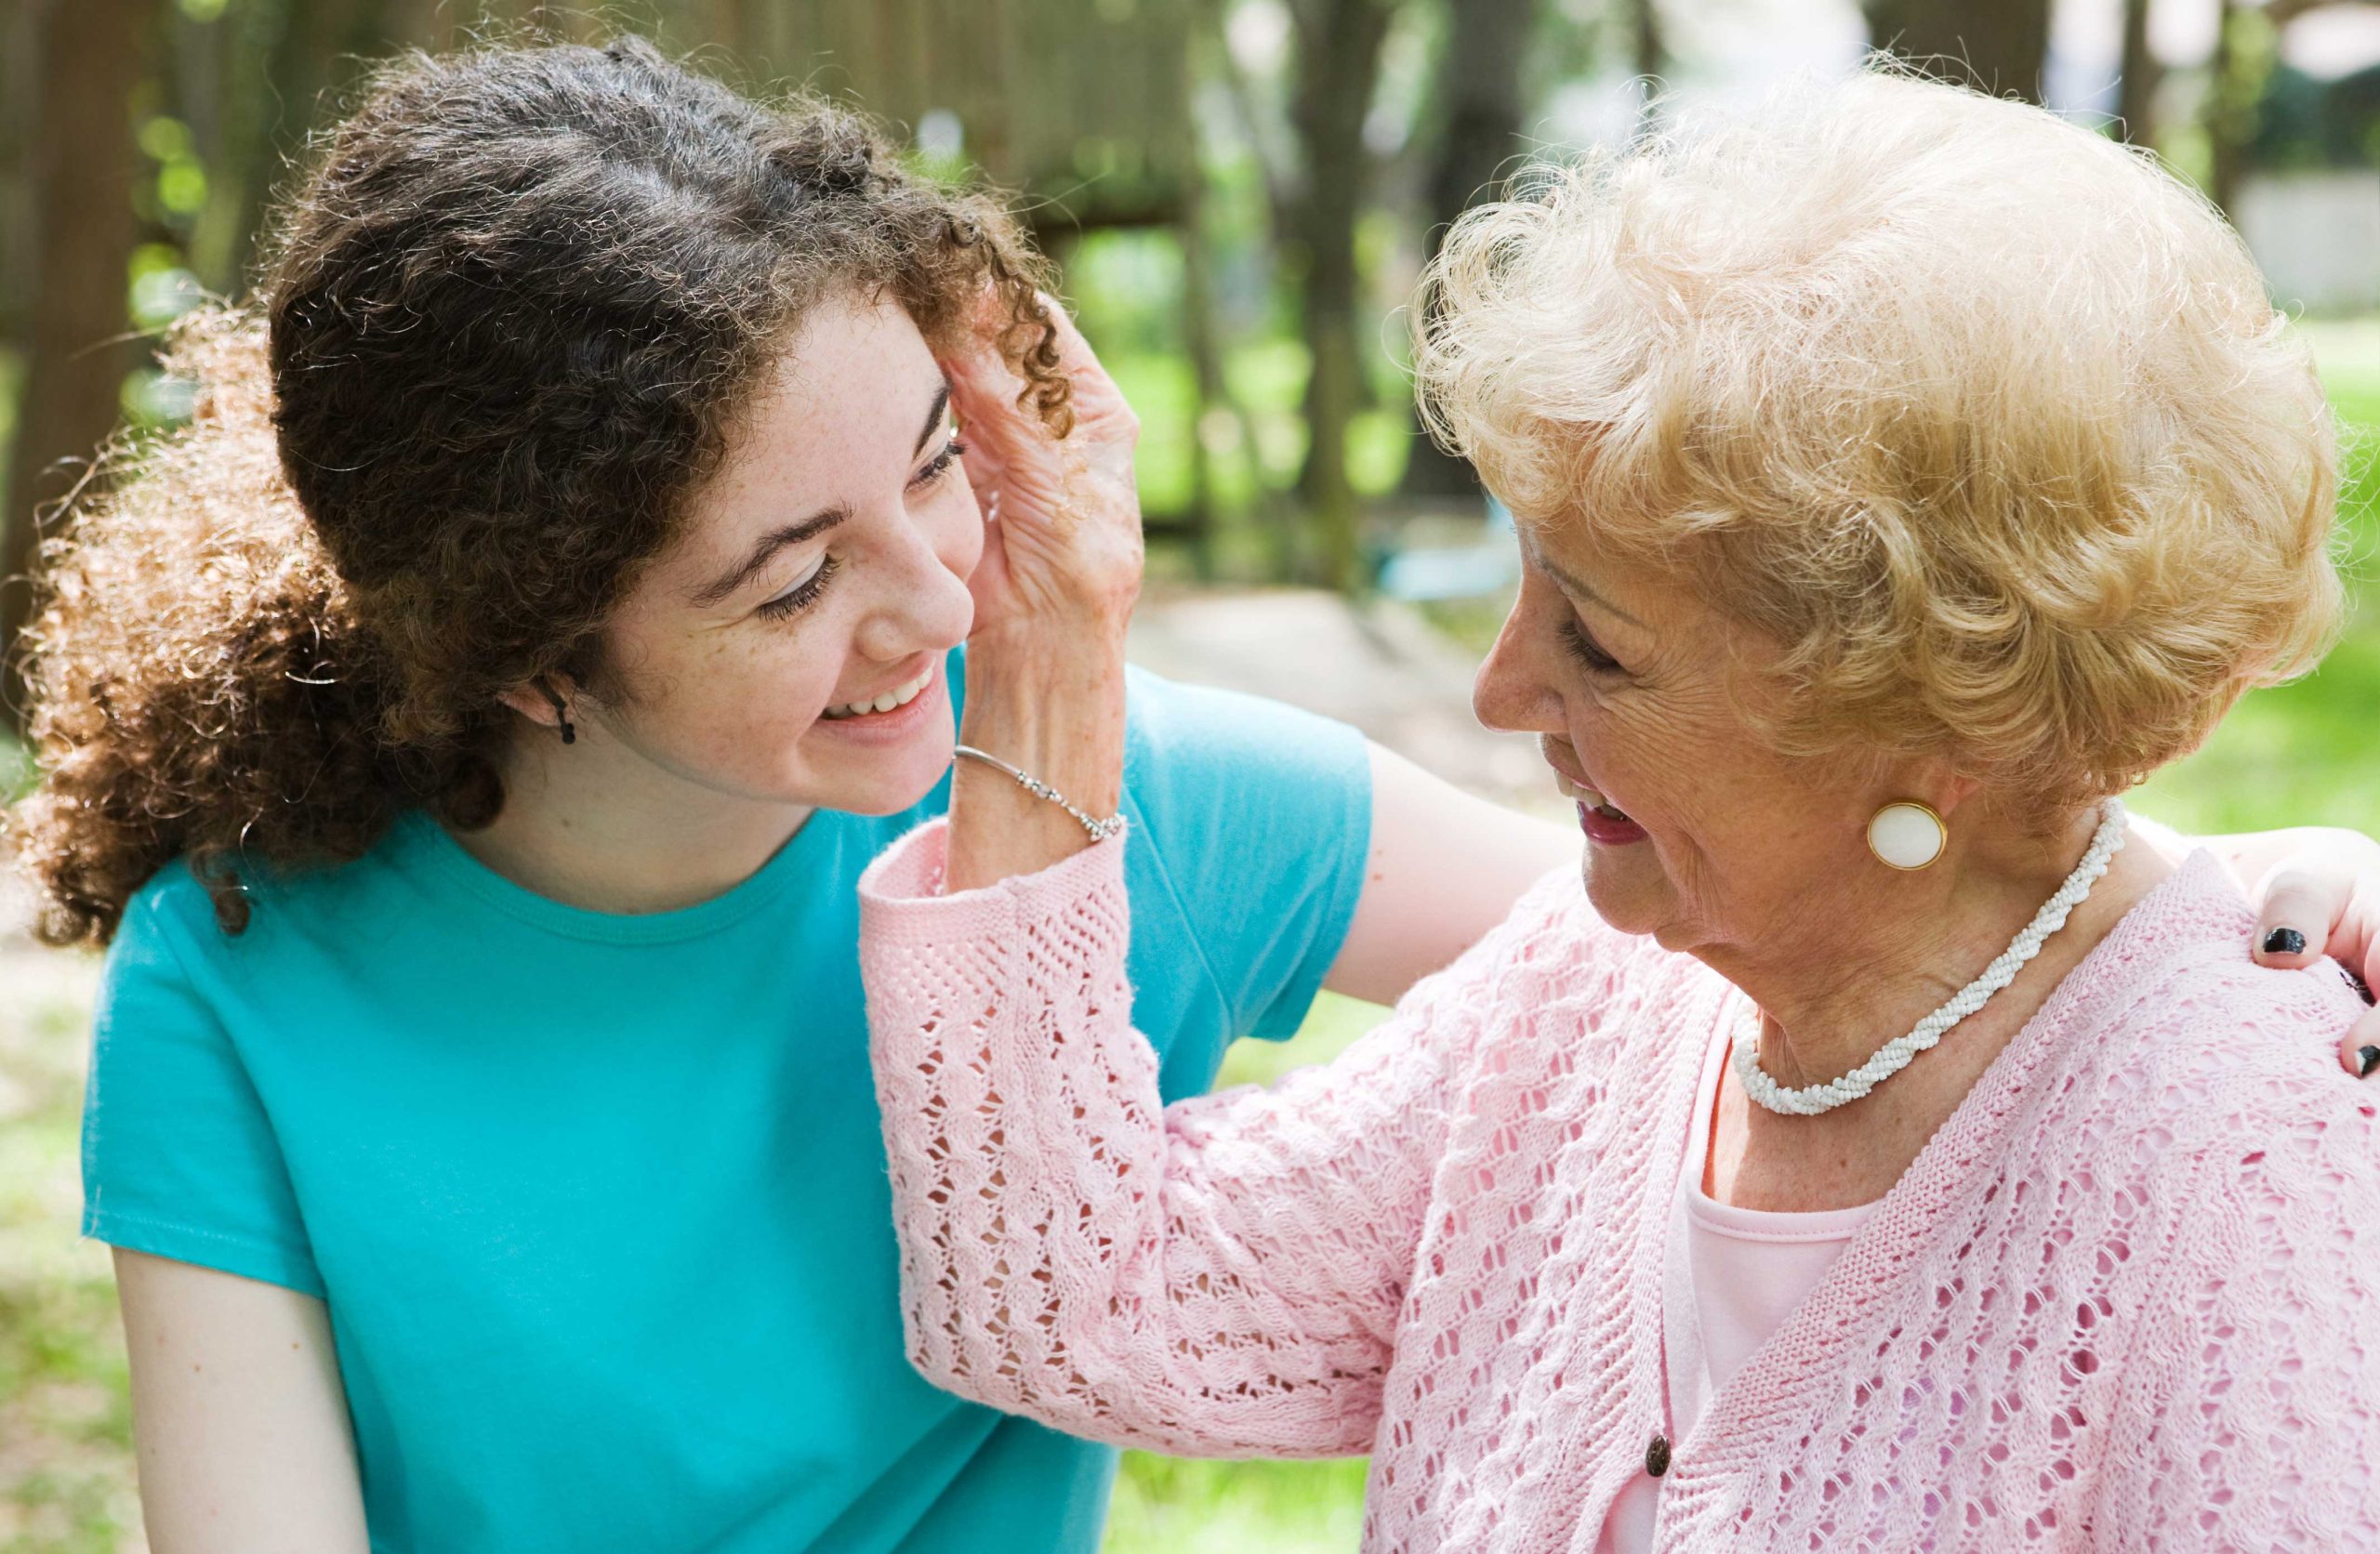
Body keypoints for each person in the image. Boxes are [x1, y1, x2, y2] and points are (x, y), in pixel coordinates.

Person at [5, 38, 1565, 1554]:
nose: (943, 612)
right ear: (531, 652)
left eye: (939, 464)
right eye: (797, 580)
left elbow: (1726, 970)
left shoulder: (1117, 797)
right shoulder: (236, 974)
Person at [855, 69, 2380, 1550]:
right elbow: (1088, 1302)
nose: (1500, 693)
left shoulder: (2250, 1169)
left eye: (1600, 642)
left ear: (1935, 718)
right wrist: (1048, 637)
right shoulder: (1593, 999)